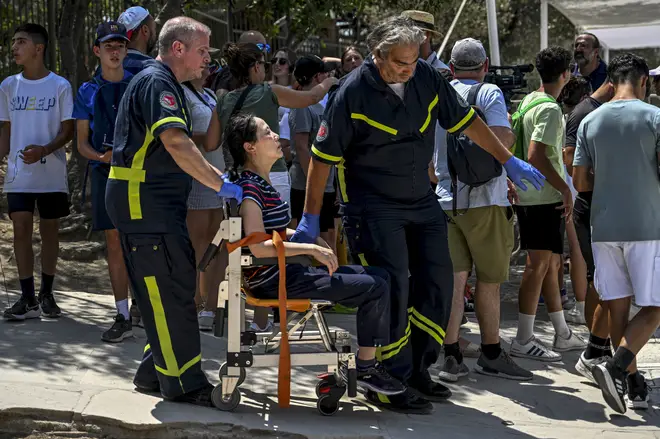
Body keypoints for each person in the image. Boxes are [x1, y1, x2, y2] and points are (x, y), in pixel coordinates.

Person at [293, 16, 544, 414]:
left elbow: (468, 122)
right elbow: (321, 160)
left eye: (412, 61)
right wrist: (309, 217)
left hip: (421, 201)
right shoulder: (352, 92)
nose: (407, 70)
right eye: (399, 63)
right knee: (392, 287)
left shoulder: (427, 78)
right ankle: (386, 379)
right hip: (372, 206)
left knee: (438, 281)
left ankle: (416, 370)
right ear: (377, 56)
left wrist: (508, 159)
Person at [105, 16, 243, 407]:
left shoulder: (168, 84)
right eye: (203, 51)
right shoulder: (158, 83)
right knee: (168, 287)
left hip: (155, 203)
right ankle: (183, 383)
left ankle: (155, 371)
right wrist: (220, 183)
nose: (208, 59)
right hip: (143, 204)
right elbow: (177, 143)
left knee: (172, 285)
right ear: (178, 48)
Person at [224, 112, 406, 396]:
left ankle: (368, 363)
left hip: (288, 272)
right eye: (267, 133)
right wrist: (310, 248)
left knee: (381, 276)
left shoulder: (261, 182)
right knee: (375, 287)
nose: (276, 137)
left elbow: (277, 231)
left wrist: (313, 240)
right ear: (250, 147)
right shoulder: (251, 189)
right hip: (276, 280)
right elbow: (258, 246)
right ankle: (367, 366)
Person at [205, 42, 337, 331]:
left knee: (245, 246)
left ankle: (251, 316)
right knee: (273, 240)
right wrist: (330, 80)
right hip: (271, 176)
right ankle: (265, 319)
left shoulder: (224, 100)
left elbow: (210, 143)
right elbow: (312, 97)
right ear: (255, 68)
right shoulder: (269, 91)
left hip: (238, 181)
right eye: (263, 65)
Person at [433, 38, 532, 382]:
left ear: (451, 66)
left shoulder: (438, 96)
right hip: (486, 200)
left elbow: (433, 163)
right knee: (489, 282)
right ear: (485, 65)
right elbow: (502, 141)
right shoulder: (489, 94)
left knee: (455, 282)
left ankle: (450, 355)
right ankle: (491, 353)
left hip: (446, 201)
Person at [574, 53, 660, 414]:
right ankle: (612, 367)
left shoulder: (590, 120)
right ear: (644, 82)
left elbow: (579, 180)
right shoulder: (655, 117)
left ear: (612, 80)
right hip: (646, 225)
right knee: (655, 308)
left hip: (603, 226)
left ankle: (629, 381)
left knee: (617, 308)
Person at [510, 46, 587, 363]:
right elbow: (535, 154)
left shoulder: (529, 100)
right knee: (537, 267)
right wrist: (564, 190)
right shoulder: (551, 110)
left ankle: (562, 333)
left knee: (552, 266)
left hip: (533, 197)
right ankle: (523, 339)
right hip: (543, 199)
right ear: (566, 74)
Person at [0, 23, 74, 320]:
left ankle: (47, 293)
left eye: (20, 42)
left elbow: (68, 130)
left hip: (52, 176)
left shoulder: (60, 85)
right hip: (19, 176)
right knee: (20, 229)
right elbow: (6, 130)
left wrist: (44, 150)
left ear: (38, 48)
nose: (14, 47)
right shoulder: (7, 86)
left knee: (49, 232)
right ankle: (27, 297)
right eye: (13, 42)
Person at [73, 22, 134, 341]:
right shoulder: (87, 90)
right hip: (104, 175)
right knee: (114, 242)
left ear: (126, 50)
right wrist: (102, 158)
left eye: (120, 45)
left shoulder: (140, 84)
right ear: (97, 50)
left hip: (139, 176)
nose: (115, 50)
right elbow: (82, 144)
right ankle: (122, 313)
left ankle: (144, 310)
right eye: (109, 45)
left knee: (140, 241)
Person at [565, 78, 615, 384]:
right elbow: (570, 159)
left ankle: (599, 348)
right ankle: (596, 351)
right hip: (590, 204)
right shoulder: (585, 112)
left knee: (601, 279)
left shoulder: (597, 111)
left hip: (598, 204)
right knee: (600, 280)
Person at [182, 65, 223, 332]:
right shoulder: (182, 94)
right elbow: (180, 134)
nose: (208, 67)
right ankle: (195, 303)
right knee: (197, 243)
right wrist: (208, 138)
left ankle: (211, 305)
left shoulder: (210, 94)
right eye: (204, 61)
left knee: (216, 242)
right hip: (196, 173)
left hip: (218, 174)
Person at [289, 55, 337, 252]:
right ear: (318, 77)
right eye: (325, 73)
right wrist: (315, 180)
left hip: (326, 185)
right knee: (313, 241)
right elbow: (301, 146)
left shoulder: (321, 104)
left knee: (329, 237)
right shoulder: (302, 106)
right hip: (306, 186)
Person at [117, 6, 158, 74]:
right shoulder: (154, 71)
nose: (155, 34)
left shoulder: (103, 69)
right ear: (145, 30)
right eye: (154, 29)